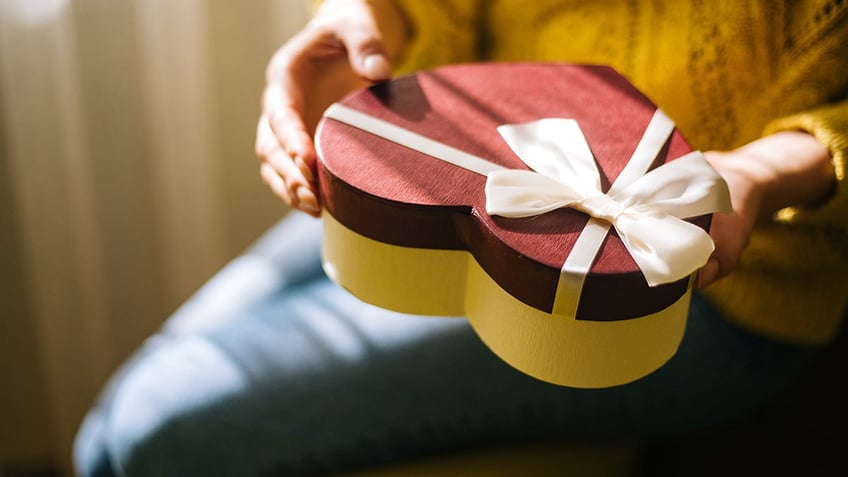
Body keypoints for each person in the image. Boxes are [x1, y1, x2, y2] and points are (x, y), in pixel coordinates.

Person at [74, 1, 847, 476]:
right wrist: (367, 14)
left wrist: (761, 174)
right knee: (107, 432)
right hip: (453, 171)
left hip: (691, 289)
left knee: (149, 428)